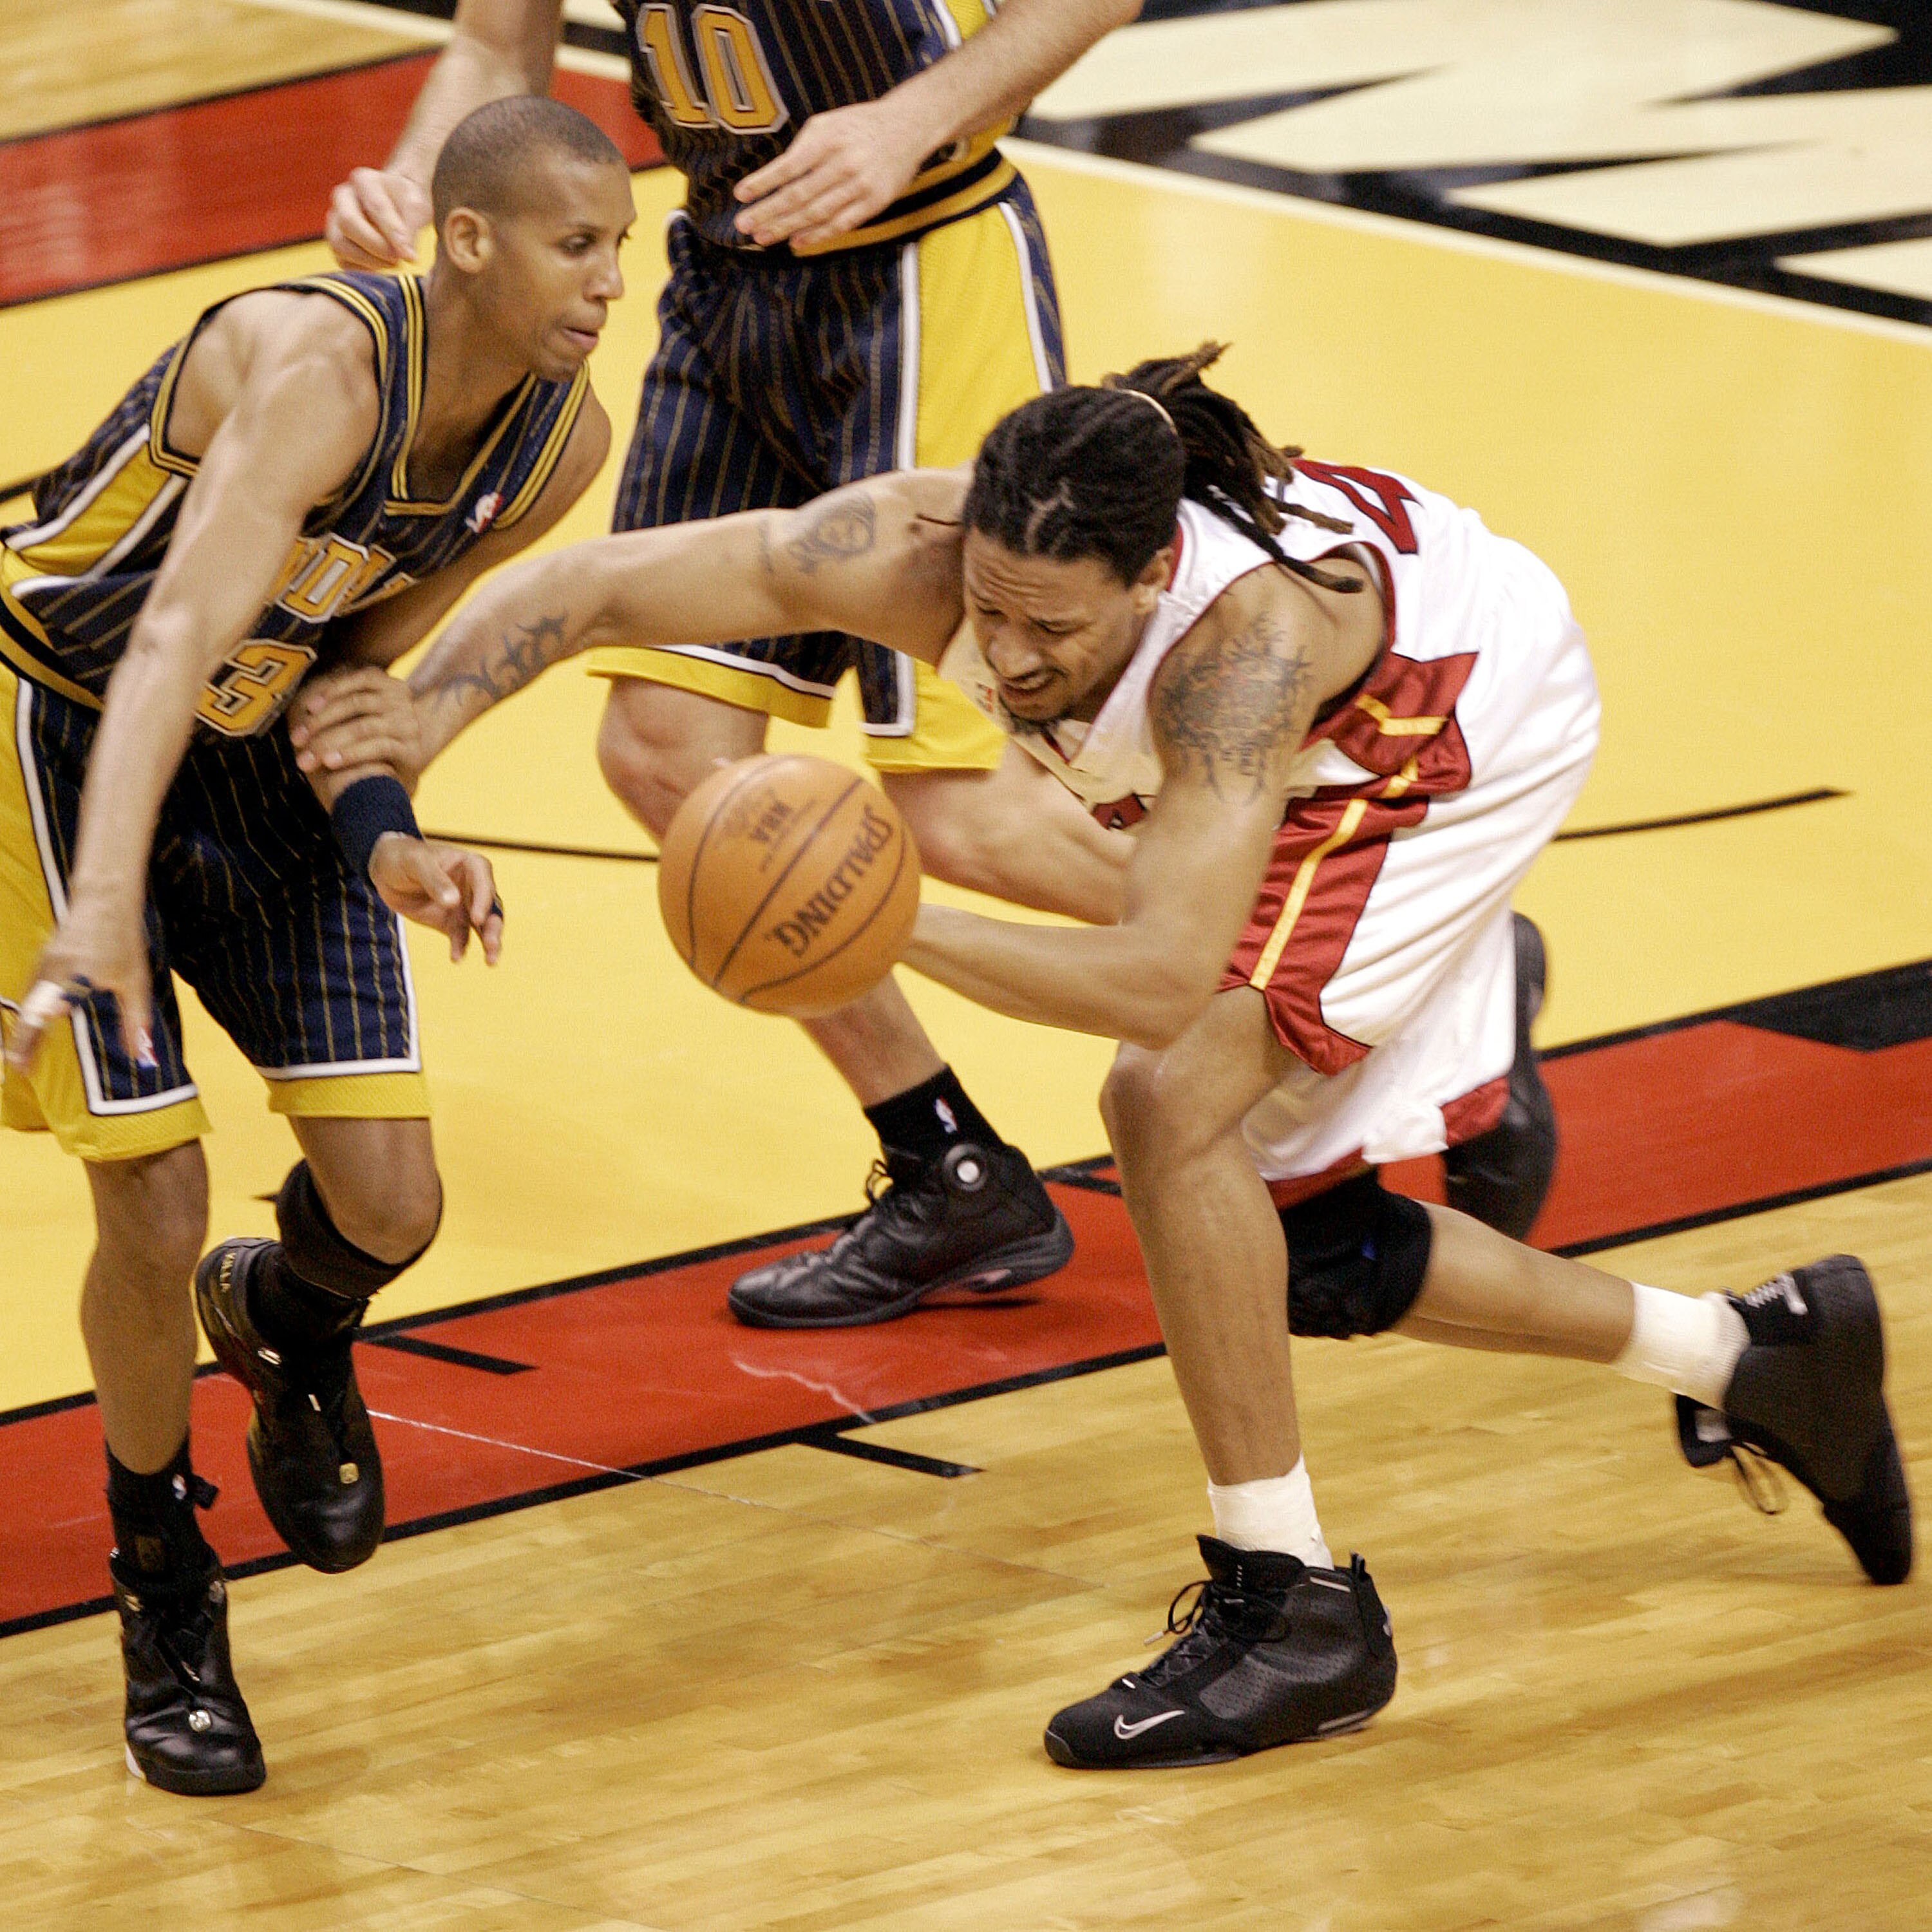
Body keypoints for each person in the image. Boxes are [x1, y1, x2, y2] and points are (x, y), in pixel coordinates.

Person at [289, 344, 1913, 1770]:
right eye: (981, 606)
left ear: (1148, 577)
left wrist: (865, 913)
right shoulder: (925, 551)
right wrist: (425, 714)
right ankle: (1758, 1354)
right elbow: (601, 587)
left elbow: (1152, 974)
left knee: (1167, 1105)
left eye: (1046, 628)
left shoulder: (1236, 656)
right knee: (1304, 1255)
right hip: (1326, 730)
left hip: (1444, 737)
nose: (997, 661)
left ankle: (1296, 1609)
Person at [323, 0, 1144, 1328]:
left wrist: (912, 117)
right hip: (728, 288)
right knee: (663, 753)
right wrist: (412, 193)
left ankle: (1372, 953)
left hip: (924, 259)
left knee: (959, 805)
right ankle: (953, 1166)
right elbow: (496, 44)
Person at [0, 99, 632, 1795]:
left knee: (391, 1207)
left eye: (625, 249)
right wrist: (106, 894)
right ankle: (162, 1570)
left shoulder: (558, 444)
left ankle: (283, 1321)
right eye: (580, 247)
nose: (611, 284)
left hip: (243, 757)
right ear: (473, 240)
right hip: (58, 725)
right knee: (150, 1188)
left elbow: (352, 685)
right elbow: (160, 654)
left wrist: (395, 837)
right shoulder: (316, 370)